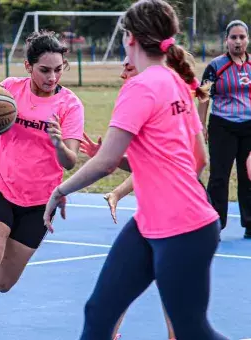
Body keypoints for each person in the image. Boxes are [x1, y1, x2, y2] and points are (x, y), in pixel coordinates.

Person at [43, 1, 228, 339]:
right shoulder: (175, 81)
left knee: (191, 330)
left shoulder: (139, 87)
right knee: (99, 313)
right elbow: (198, 158)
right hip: (152, 224)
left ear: (129, 37)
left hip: (183, 229)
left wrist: (59, 190)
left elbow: (106, 161)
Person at [0, 30, 84, 340]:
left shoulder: (70, 105)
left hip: (39, 202)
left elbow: (70, 161)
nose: (52, 76)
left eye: (59, 68)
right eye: (44, 69)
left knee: (3, 282)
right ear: (28, 66)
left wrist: (58, 142)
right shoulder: (8, 90)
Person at [198, 20, 251, 238]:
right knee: (219, 176)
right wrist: (201, 126)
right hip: (222, 126)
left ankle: (250, 223)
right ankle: (215, 224)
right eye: (233, 37)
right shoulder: (216, 66)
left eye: (242, 37)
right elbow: (203, 97)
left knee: (248, 176)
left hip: (249, 127)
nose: (237, 42)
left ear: (247, 39)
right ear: (226, 40)